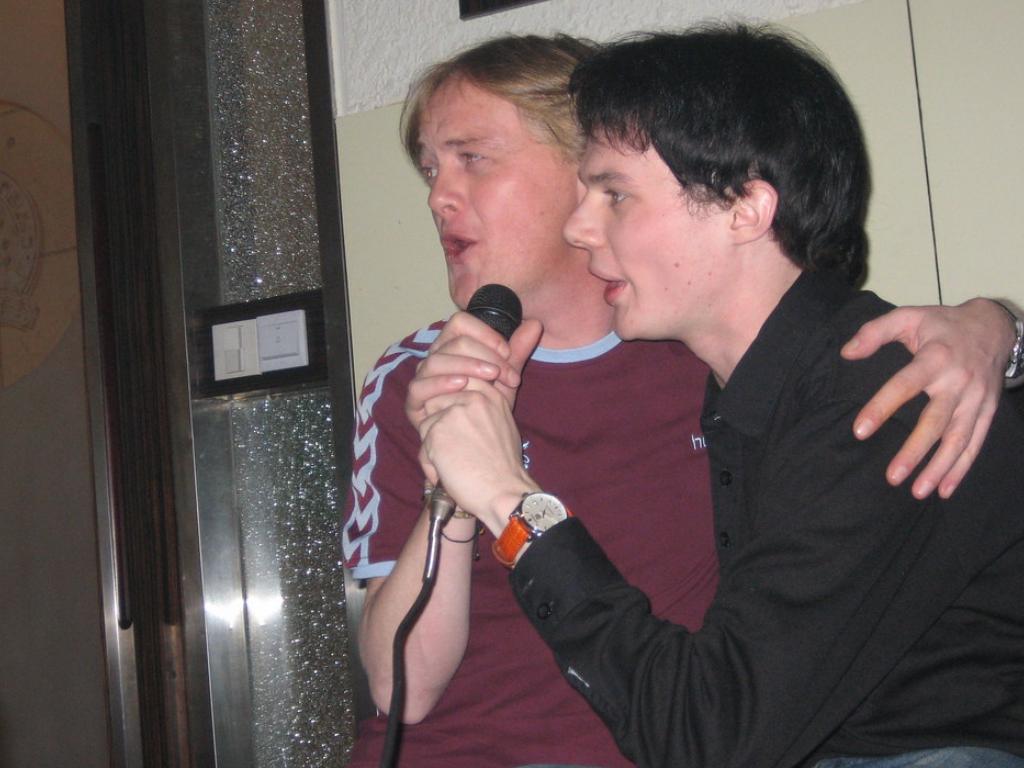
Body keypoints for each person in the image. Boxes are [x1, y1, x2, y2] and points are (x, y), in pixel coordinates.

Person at [341, 35, 1021, 767]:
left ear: (745, 208)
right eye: (431, 169)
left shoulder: (866, 393)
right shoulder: (742, 377)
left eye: (614, 192)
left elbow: (711, 730)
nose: (580, 225)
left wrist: (511, 500)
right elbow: (402, 685)